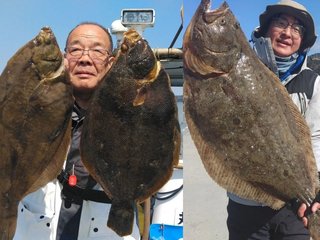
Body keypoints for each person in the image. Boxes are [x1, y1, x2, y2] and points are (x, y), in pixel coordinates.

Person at [13, 22, 141, 240]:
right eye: (75, 49)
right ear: (64, 59)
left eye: (97, 50)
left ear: (111, 63)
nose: (85, 58)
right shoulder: (30, 109)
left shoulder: (134, 113)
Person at [227, 0, 320, 239]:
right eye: (281, 24)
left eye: (297, 28)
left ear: (303, 40)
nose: (288, 33)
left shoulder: (313, 82)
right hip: (246, 203)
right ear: (267, 29)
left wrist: (315, 190)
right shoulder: (237, 70)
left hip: (293, 205)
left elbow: (316, 137)